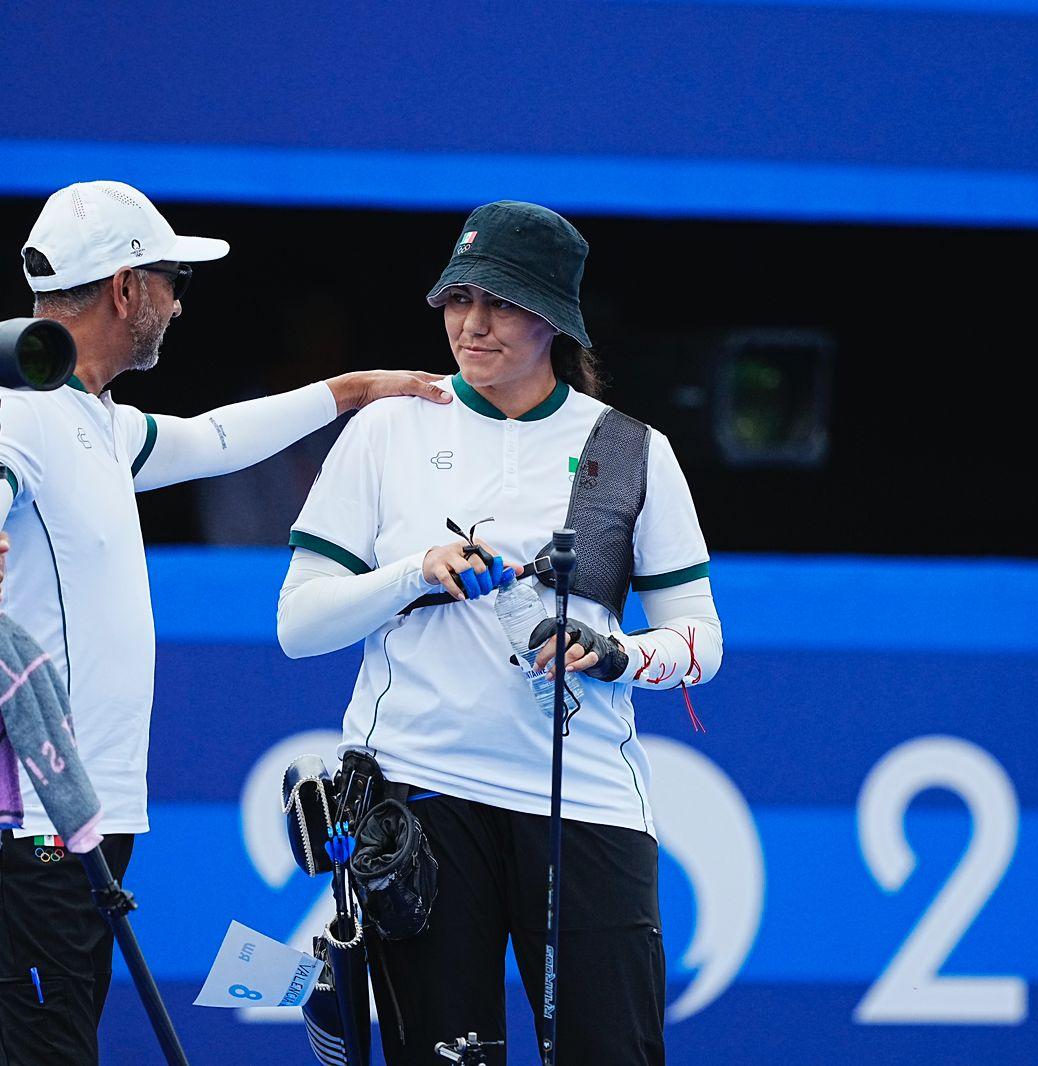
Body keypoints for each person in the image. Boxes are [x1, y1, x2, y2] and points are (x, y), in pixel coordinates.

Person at [0, 180, 449, 1066]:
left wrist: (356, 389)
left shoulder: (91, 418)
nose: (177, 303)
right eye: (171, 281)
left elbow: (212, 440)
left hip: (78, 811)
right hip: (30, 822)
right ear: (127, 290)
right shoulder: (18, 408)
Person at [276, 200, 724, 1065]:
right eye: (457, 299)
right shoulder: (389, 427)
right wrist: (414, 574)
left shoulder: (628, 449)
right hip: (419, 792)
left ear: (556, 318)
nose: (471, 325)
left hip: (583, 799)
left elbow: (700, 639)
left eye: (502, 303)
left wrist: (618, 656)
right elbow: (298, 623)